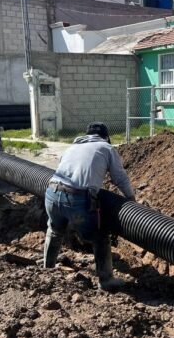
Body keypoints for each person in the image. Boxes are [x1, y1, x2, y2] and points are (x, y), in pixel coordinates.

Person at [44, 122, 135, 290]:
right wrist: (130, 198)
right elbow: (119, 177)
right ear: (106, 137)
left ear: (87, 135)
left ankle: (47, 269)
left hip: (51, 192)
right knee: (99, 237)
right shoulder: (106, 148)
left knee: (55, 230)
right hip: (76, 199)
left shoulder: (71, 148)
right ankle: (106, 281)